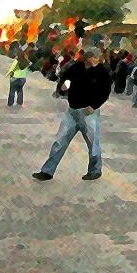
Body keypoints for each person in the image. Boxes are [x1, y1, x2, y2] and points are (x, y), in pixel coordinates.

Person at [32, 48, 112, 182]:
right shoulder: (76, 68)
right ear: (88, 57)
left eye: (98, 58)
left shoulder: (102, 73)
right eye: (94, 58)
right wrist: (62, 89)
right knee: (59, 141)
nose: (97, 61)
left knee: (93, 144)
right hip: (72, 111)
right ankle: (47, 171)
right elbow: (64, 80)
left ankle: (95, 170)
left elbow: (105, 91)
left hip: (89, 113)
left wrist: (94, 105)